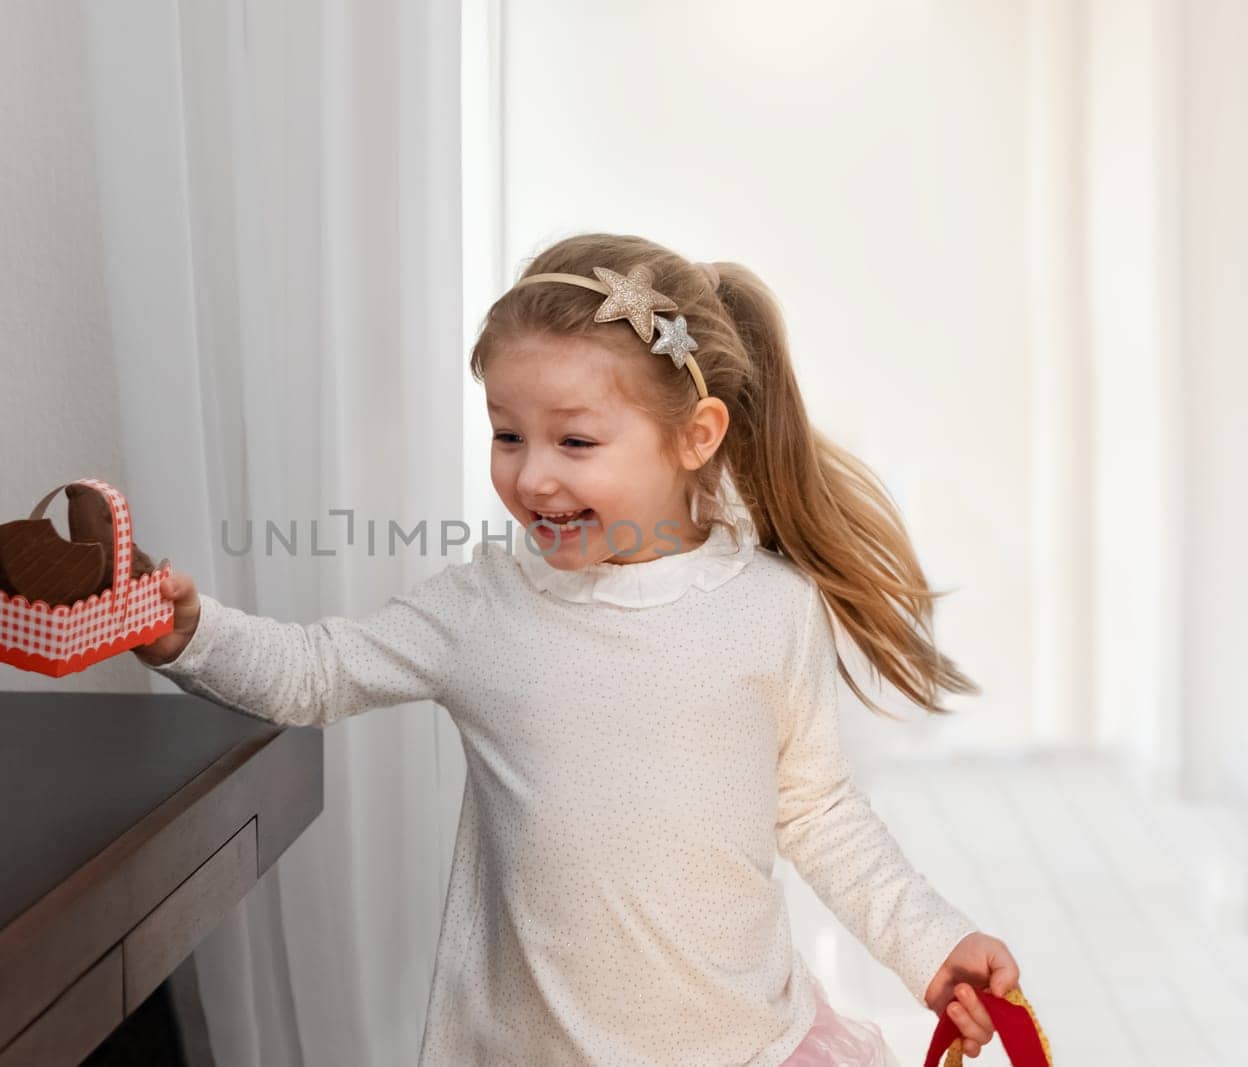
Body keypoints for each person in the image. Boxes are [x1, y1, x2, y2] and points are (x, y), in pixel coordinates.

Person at [132, 233, 1021, 1065]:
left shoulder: (770, 611)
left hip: (744, 1048)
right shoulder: (488, 606)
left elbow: (821, 814)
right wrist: (189, 633)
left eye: (576, 441)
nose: (532, 476)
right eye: (507, 434)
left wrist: (933, 941)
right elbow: (316, 672)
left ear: (695, 436)